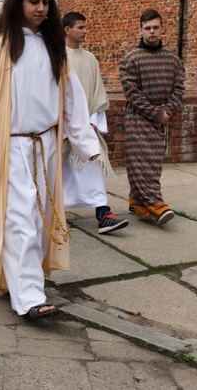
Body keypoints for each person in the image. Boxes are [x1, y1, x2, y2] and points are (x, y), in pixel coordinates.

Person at [0, 0, 100, 319]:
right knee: (20, 220)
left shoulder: (55, 46)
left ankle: (25, 282)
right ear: (19, 4)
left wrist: (86, 141)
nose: (40, 8)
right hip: (12, 147)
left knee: (41, 222)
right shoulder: (0, 47)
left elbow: (72, 98)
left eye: (46, 1)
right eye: (33, 1)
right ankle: (29, 297)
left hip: (46, 146)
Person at [61, 12, 129, 234]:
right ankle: (51, 213)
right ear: (67, 30)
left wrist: (92, 121)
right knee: (58, 172)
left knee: (93, 165)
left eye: (85, 27)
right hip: (61, 127)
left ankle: (103, 213)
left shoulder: (90, 59)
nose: (85, 31)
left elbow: (98, 93)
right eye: (80, 27)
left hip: (86, 125)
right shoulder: (57, 57)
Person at [119, 9, 185, 225]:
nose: (152, 31)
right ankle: (156, 204)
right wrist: (155, 113)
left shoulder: (173, 58)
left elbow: (179, 87)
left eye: (155, 27)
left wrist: (167, 111)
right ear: (141, 30)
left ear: (161, 28)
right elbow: (132, 92)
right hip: (139, 117)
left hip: (162, 117)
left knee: (153, 163)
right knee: (140, 162)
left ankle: (138, 202)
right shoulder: (131, 58)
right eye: (147, 28)